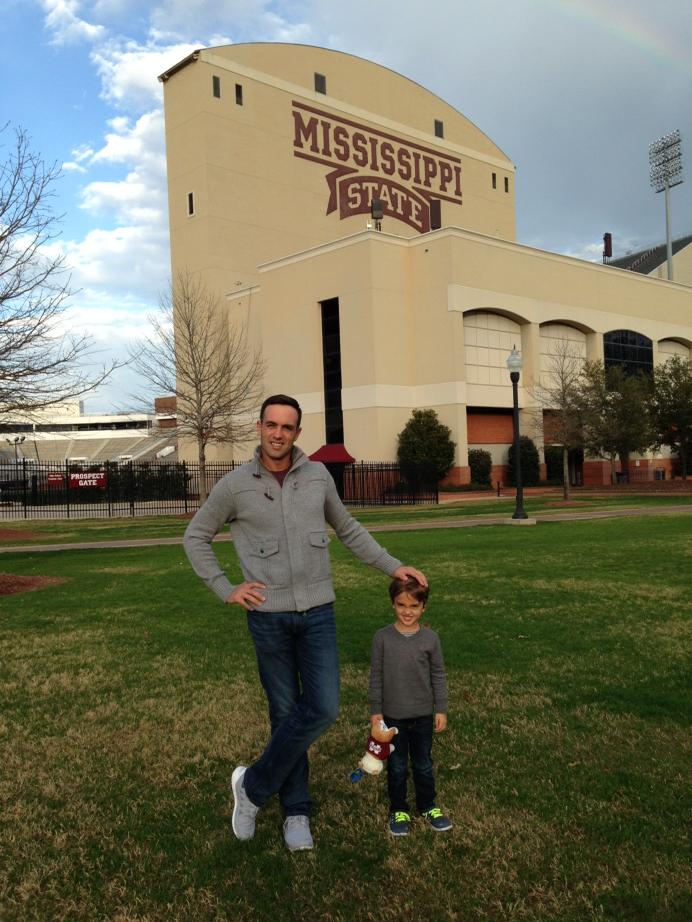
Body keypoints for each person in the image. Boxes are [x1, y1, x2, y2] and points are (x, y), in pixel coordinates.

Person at [183, 394, 426, 852]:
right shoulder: (235, 485)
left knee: (324, 707)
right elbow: (195, 536)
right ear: (260, 427)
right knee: (284, 713)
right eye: (271, 425)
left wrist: (394, 566)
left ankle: (251, 787)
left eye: (287, 427)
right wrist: (225, 587)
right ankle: (296, 812)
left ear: (297, 432)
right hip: (267, 617)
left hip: (317, 614)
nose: (278, 434)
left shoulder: (317, 477)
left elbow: (348, 528)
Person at [369, 576, 452, 836]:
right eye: (401, 605)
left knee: (423, 764)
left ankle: (428, 806)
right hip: (393, 718)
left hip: (423, 716)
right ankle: (399, 809)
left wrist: (441, 709)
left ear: (423, 607)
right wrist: (376, 712)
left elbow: (438, 674)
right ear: (393, 604)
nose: (407, 611)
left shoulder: (430, 639)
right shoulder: (382, 638)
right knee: (396, 766)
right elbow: (376, 677)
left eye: (414, 606)